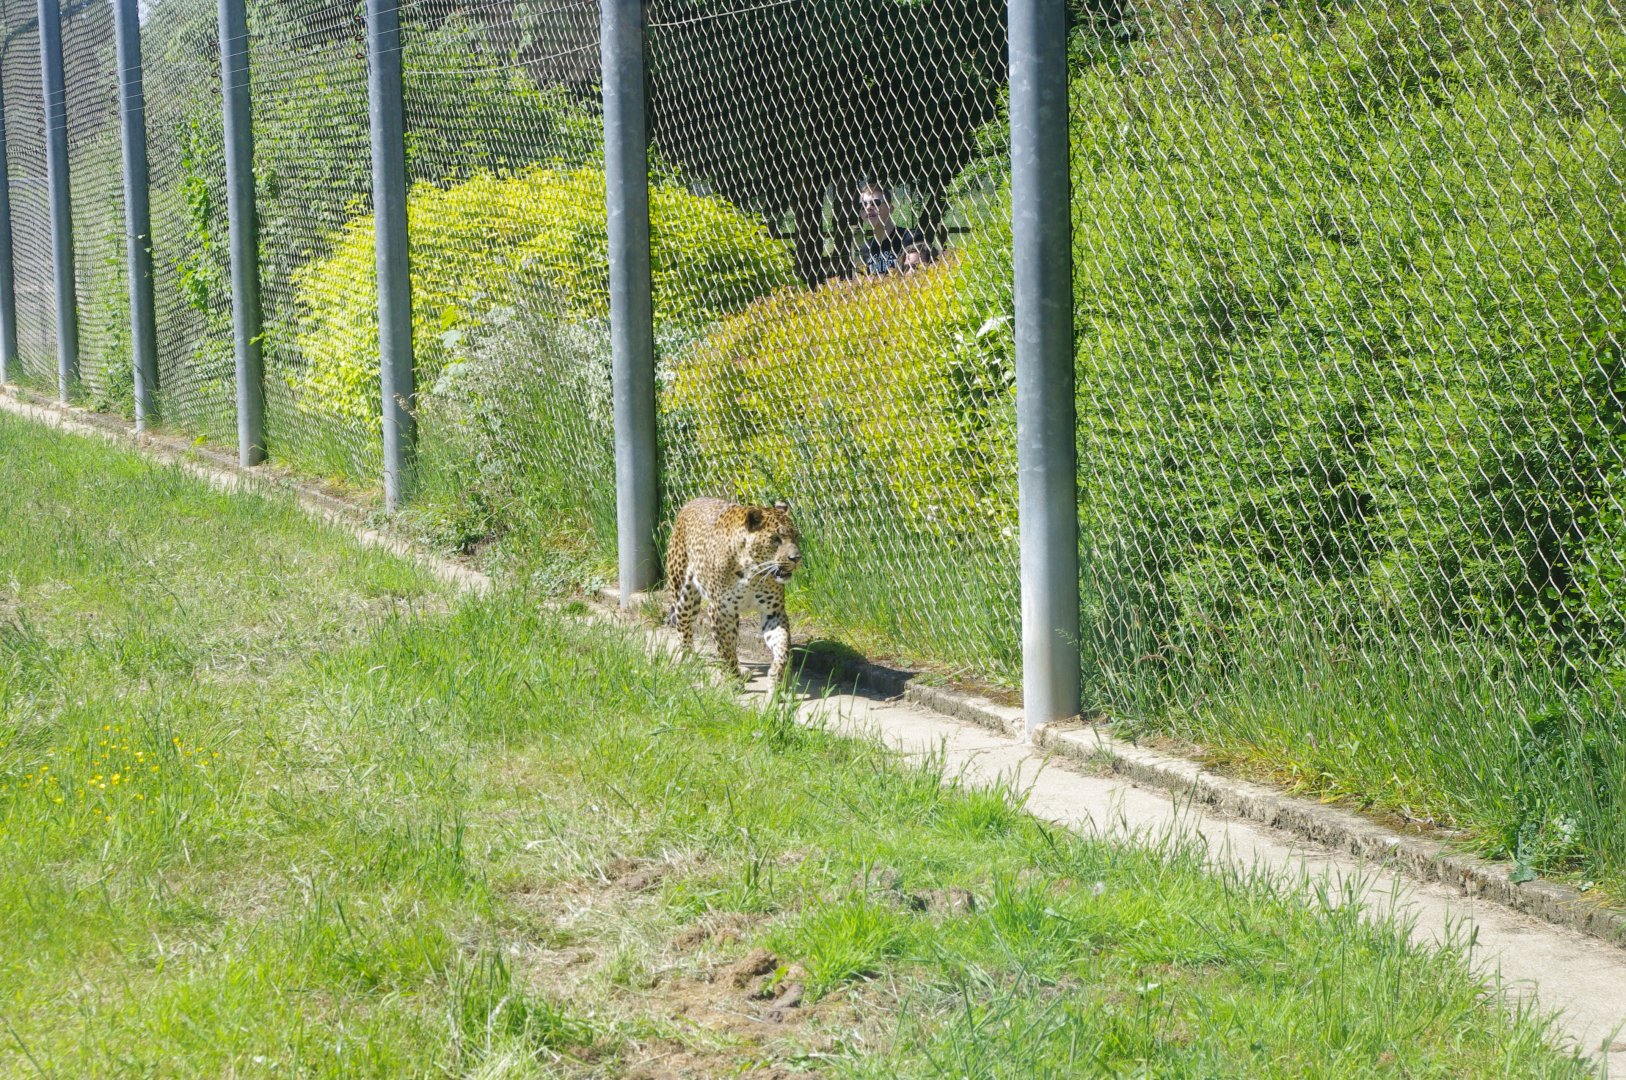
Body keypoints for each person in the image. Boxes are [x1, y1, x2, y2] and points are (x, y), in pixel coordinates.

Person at [856, 182, 935, 275]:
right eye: (863, 205)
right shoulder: (866, 248)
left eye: (875, 203)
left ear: (891, 208)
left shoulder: (911, 238)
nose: (868, 208)